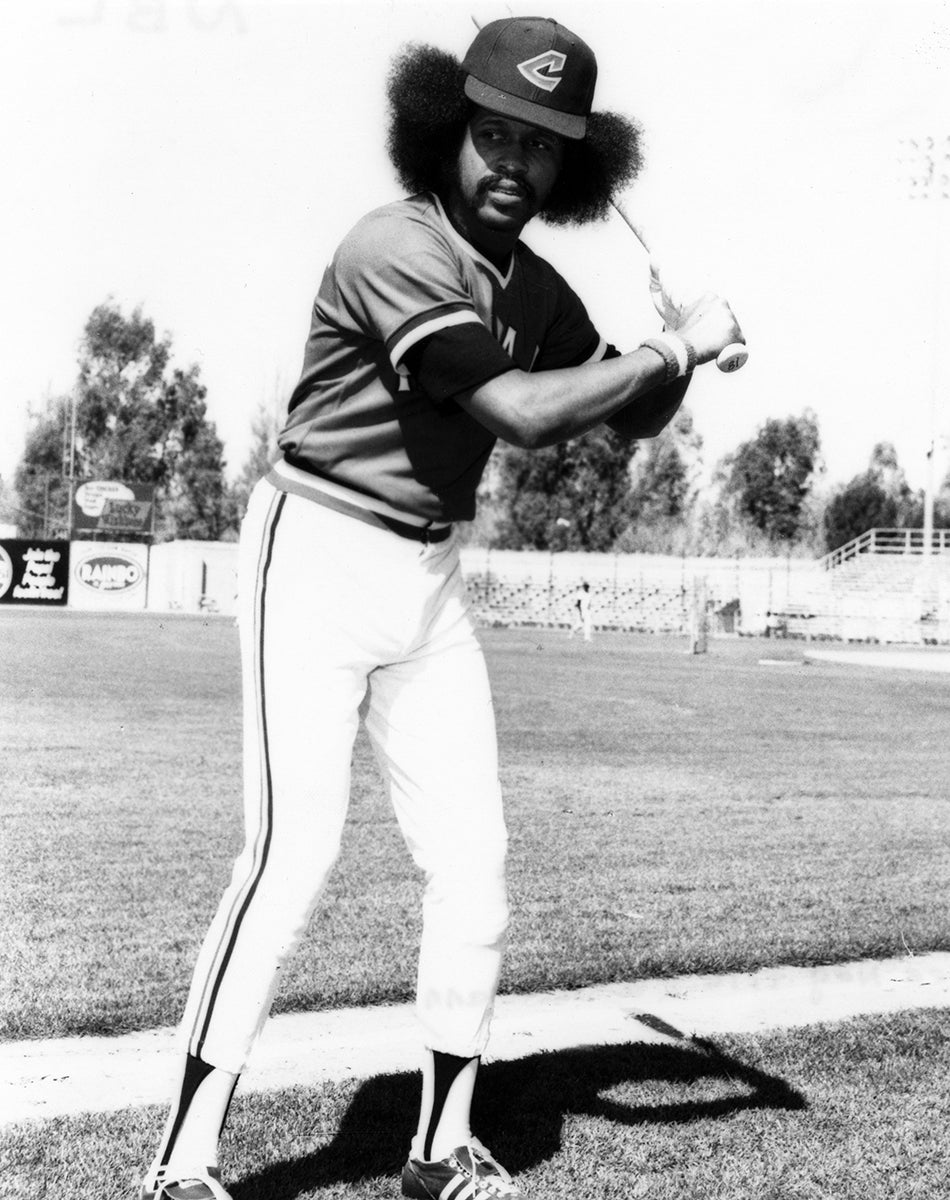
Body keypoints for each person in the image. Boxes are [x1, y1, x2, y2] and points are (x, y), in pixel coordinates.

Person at [140, 15, 743, 1200]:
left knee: (475, 863)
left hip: (427, 579)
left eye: (539, 147)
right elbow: (520, 412)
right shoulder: (389, 246)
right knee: (289, 856)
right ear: (441, 133)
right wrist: (671, 351)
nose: (511, 165)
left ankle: (441, 1148)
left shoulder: (539, 284)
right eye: (490, 136)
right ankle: (182, 1163)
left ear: (574, 169)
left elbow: (619, 414)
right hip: (312, 553)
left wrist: (673, 363)